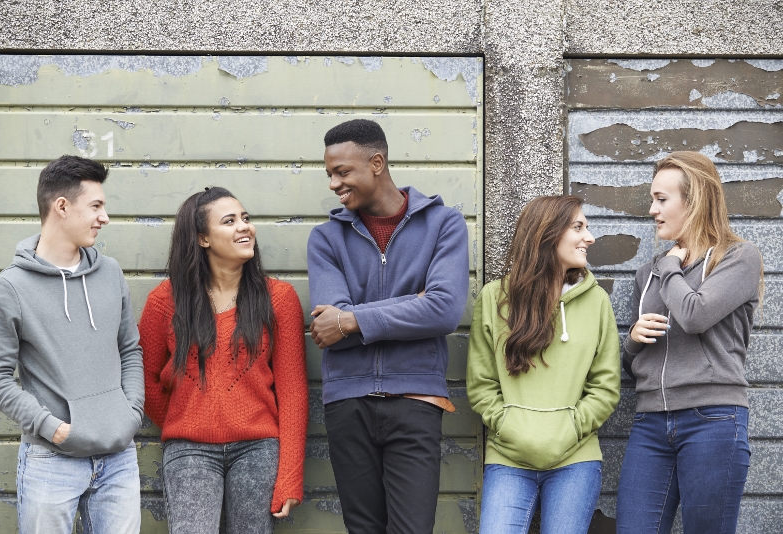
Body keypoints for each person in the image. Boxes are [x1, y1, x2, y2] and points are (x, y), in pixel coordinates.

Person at [307, 119, 469, 534]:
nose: (333, 184)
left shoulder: (444, 224)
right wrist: (412, 304)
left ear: (376, 162)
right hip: (348, 401)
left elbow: (445, 311)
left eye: (342, 172)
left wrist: (352, 319)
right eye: (329, 174)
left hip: (415, 400)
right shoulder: (325, 239)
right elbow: (329, 332)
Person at [0, 155, 144, 533]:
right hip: (50, 460)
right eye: (96, 206)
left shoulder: (110, 273)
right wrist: (50, 426)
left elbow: (130, 349)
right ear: (61, 206)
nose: (104, 217)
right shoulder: (10, 288)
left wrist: (132, 413)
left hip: (118, 456)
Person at [139, 187, 307, 534]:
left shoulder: (279, 298)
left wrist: (289, 476)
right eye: (229, 221)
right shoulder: (164, 302)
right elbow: (145, 381)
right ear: (203, 238)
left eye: (245, 218)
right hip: (189, 453)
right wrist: (186, 414)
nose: (244, 227)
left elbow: (293, 393)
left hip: (258, 451)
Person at [616, 152, 762, 533]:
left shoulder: (738, 257)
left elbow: (695, 316)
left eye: (662, 199)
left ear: (694, 200)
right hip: (650, 423)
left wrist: (670, 267)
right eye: (653, 199)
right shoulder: (647, 273)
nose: (652, 210)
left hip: (712, 419)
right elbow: (633, 364)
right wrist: (632, 340)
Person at [467, 194, 621, 534]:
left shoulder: (597, 302)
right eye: (578, 227)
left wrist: (572, 426)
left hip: (575, 459)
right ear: (547, 234)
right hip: (508, 458)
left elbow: (606, 387)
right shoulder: (495, 298)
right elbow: (481, 385)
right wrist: (509, 425)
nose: (590, 238)